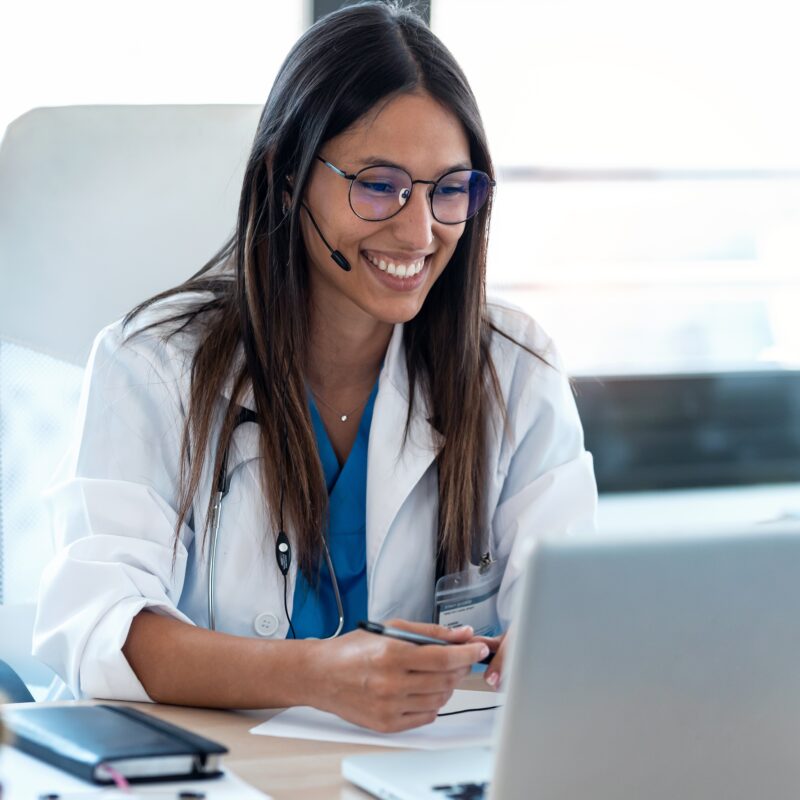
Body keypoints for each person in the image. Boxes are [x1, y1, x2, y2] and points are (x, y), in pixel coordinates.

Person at [33, 2, 596, 733]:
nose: (420, 232)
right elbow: (98, 626)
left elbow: (574, 605)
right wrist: (319, 675)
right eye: (379, 184)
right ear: (286, 178)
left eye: (450, 189)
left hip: (419, 773)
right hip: (208, 770)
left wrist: (559, 648)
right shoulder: (153, 366)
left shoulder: (513, 370)